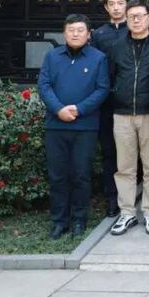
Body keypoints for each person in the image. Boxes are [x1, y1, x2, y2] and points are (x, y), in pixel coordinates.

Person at [38, 14, 110, 239]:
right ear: (64, 33)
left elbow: (102, 89)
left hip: (85, 127)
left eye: (80, 30)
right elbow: (44, 85)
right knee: (57, 176)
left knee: (81, 175)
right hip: (55, 125)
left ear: (89, 34)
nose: (75, 34)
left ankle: (79, 220)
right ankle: (59, 221)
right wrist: (58, 109)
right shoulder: (52, 56)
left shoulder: (98, 58)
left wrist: (79, 109)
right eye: (71, 30)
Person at [108, 0, 149, 237]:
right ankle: (127, 212)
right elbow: (111, 76)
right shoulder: (117, 46)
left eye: (140, 15)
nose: (135, 20)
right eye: (131, 16)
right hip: (122, 114)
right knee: (125, 167)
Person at [91, 0, 128, 218]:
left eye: (120, 3)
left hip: (130, 100)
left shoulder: (134, 30)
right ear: (106, 7)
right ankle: (112, 197)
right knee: (109, 151)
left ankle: (133, 195)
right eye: (111, 4)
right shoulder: (98, 35)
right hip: (106, 101)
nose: (116, 8)